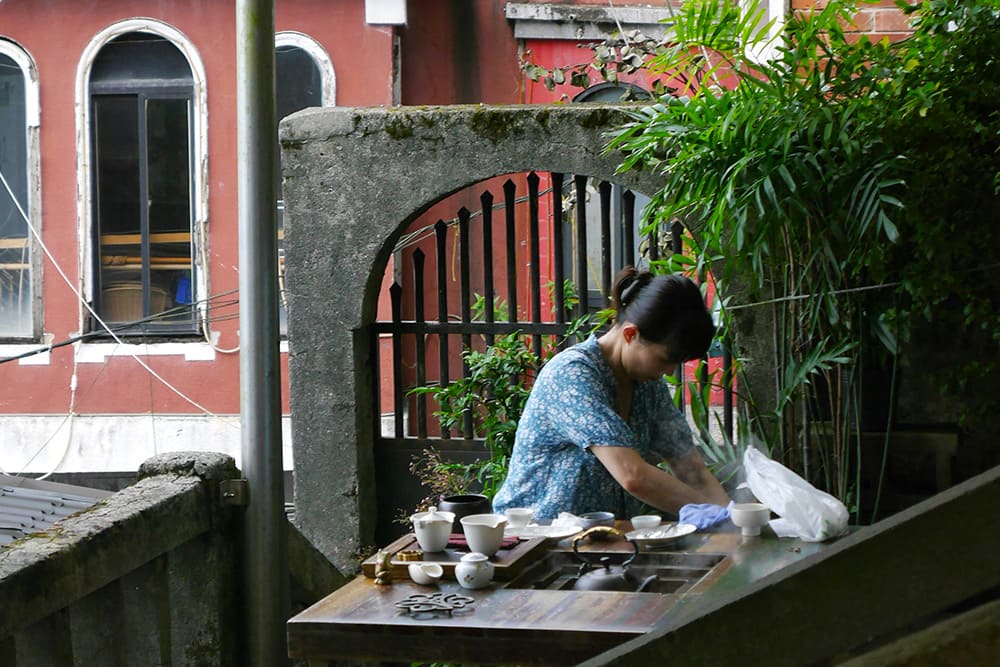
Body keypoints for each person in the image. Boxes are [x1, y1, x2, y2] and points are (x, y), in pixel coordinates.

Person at [492, 266, 730, 521]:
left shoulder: (649, 385)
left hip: (601, 542)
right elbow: (633, 475)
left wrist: (736, 520)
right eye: (664, 359)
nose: (669, 371)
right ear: (630, 333)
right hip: (534, 540)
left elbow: (691, 469)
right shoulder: (572, 375)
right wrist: (716, 514)